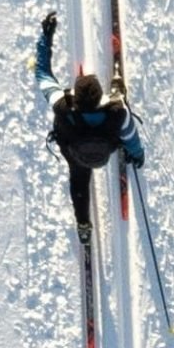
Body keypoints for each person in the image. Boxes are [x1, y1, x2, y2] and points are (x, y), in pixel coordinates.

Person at [49, 66, 144, 239]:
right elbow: (130, 136)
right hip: (106, 149)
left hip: (77, 155)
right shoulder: (117, 111)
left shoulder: (64, 112)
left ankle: (83, 224)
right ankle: (117, 90)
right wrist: (137, 154)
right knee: (118, 130)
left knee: (79, 181)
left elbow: (60, 134)